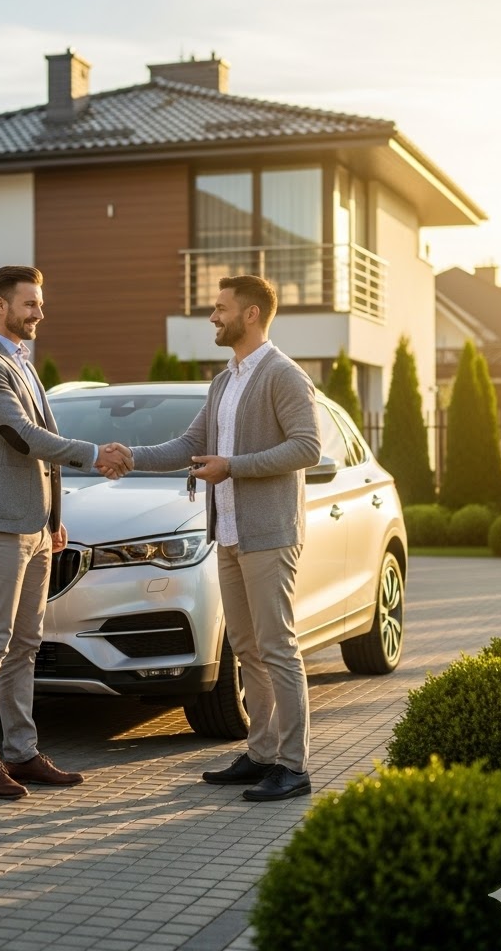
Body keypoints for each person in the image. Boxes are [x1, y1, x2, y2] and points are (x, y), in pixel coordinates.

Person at [130, 275, 321, 801]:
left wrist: (233, 466)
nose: (213, 317)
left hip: (269, 534)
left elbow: (307, 448)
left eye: (220, 308)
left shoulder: (283, 375)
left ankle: (294, 765)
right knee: (249, 651)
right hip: (230, 534)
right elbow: (190, 444)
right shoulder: (224, 381)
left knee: (278, 648)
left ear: (252, 314)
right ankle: (261, 754)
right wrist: (129, 459)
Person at [0, 264, 133, 799]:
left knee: (26, 645)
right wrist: (93, 453)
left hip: (35, 527)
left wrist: (55, 520)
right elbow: (22, 438)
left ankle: (22, 753)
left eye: (40, 303)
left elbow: (43, 456)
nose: (40, 312)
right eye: (30, 303)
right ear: (0, 306)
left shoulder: (23, 364)